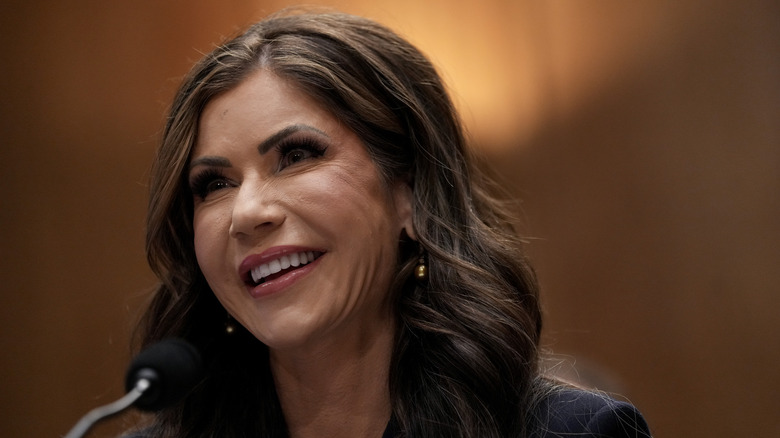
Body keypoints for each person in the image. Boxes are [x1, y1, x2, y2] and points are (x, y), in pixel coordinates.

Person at [128, 9, 651, 438]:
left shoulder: (572, 432)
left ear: (410, 195)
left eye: (296, 156)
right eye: (214, 185)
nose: (246, 213)